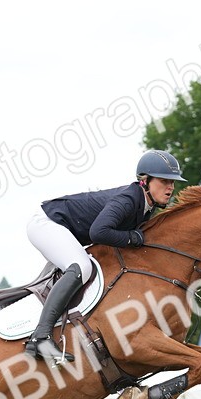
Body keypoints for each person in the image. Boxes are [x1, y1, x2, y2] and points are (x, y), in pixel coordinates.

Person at [23, 150, 185, 363]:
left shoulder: (147, 206)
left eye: (173, 182)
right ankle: (40, 337)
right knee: (82, 267)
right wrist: (130, 238)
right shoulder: (129, 200)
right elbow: (98, 233)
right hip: (47, 223)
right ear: (145, 181)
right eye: (165, 181)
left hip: (65, 229)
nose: (170, 188)